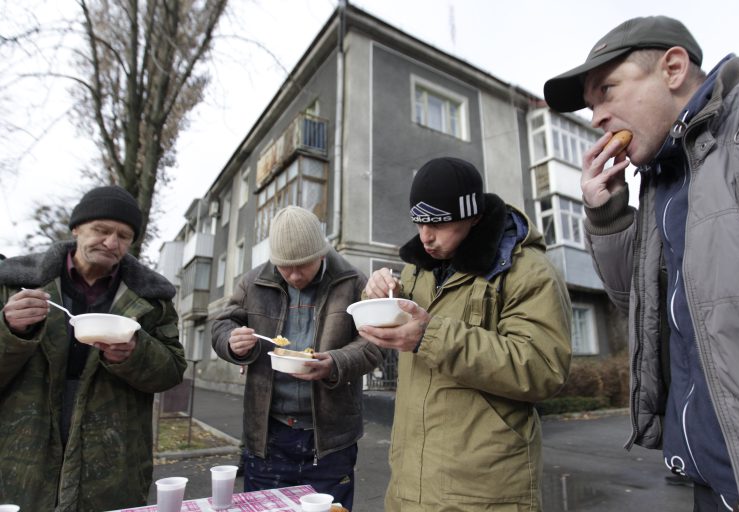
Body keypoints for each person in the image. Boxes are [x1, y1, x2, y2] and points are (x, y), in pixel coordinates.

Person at [544, 15, 739, 511]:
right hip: (713, 473)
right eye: (591, 104)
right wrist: (605, 214)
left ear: (672, 68)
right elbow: (639, 308)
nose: (596, 116)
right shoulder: (660, 181)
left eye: (607, 89)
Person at [359, 157, 572, 511]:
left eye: (439, 224)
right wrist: (379, 295)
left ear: (473, 217)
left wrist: (430, 337)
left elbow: (543, 368)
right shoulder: (417, 271)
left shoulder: (528, 272)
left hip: (486, 492)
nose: (425, 237)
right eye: (419, 222)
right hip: (409, 485)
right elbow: (397, 327)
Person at [0, 185, 186, 511]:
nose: (112, 243)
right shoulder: (16, 283)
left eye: (123, 236)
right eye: (101, 230)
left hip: (112, 463)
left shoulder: (152, 298)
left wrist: (135, 354)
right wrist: (10, 330)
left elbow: (172, 371)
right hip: (22, 454)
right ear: (76, 229)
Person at [211, 205, 383, 511]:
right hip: (268, 436)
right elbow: (223, 325)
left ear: (321, 253)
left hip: (331, 439)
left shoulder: (351, 280)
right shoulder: (252, 282)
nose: (293, 275)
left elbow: (374, 343)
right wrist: (232, 341)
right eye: (284, 266)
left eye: (302, 265)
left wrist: (335, 362)